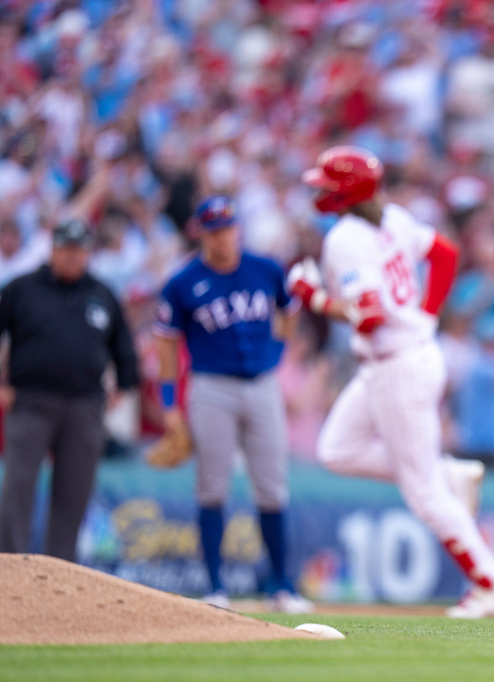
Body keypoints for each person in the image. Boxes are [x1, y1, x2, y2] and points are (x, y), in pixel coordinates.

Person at [291, 145, 494, 618]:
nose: (320, 191)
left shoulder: (346, 239)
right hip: (400, 357)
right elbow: (444, 253)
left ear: (346, 191)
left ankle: (492, 580)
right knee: (337, 450)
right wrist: (426, 314)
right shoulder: (391, 218)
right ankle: (447, 473)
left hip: (396, 362)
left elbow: (369, 317)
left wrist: (314, 298)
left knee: (422, 492)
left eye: (328, 184)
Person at [153, 196, 312, 614]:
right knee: (212, 485)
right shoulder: (183, 282)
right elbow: (166, 347)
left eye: (229, 227)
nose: (224, 236)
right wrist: (169, 404)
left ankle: (281, 586)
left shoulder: (266, 268)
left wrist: (280, 352)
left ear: (238, 227)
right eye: (216, 229)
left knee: (272, 485)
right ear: (203, 233)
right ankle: (216, 587)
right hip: (211, 387)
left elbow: (289, 311)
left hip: (261, 385)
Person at [0, 218, 139, 561]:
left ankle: (61, 571)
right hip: (31, 401)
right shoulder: (22, 288)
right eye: (67, 250)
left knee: (73, 492)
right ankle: (9, 567)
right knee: (18, 485)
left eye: (80, 251)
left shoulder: (102, 293)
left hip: (85, 405)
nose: (74, 257)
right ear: (54, 250)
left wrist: (124, 383)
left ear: (88, 253)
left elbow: (123, 346)